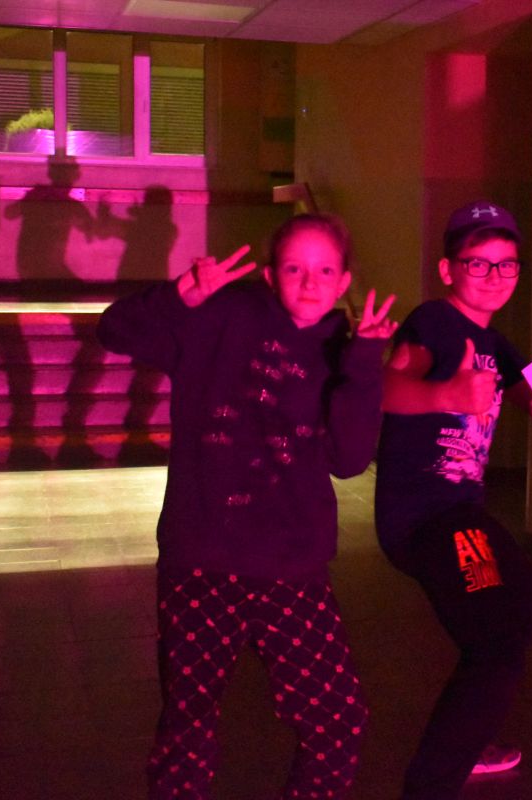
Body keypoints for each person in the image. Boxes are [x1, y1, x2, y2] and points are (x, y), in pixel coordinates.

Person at [96, 213, 396, 800]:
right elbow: (115, 331)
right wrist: (182, 296)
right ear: (270, 274)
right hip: (200, 557)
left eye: (324, 271)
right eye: (294, 268)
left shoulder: (344, 351)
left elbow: (349, 459)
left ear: (344, 280)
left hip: (291, 565)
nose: (309, 283)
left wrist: (364, 362)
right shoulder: (221, 317)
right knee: (187, 726)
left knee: (337, 719)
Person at [375, 200, 532, 799]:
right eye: (478, 263)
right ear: (448, 269)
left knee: (522, 600)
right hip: (425, 515)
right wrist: (444, 395)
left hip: (459, 515)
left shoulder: (497, 343)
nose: (494, 276)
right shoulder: (434, 323)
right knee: (497, 641)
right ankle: (434, 779)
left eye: (507, 265)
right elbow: (384, 388)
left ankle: (467, 731)